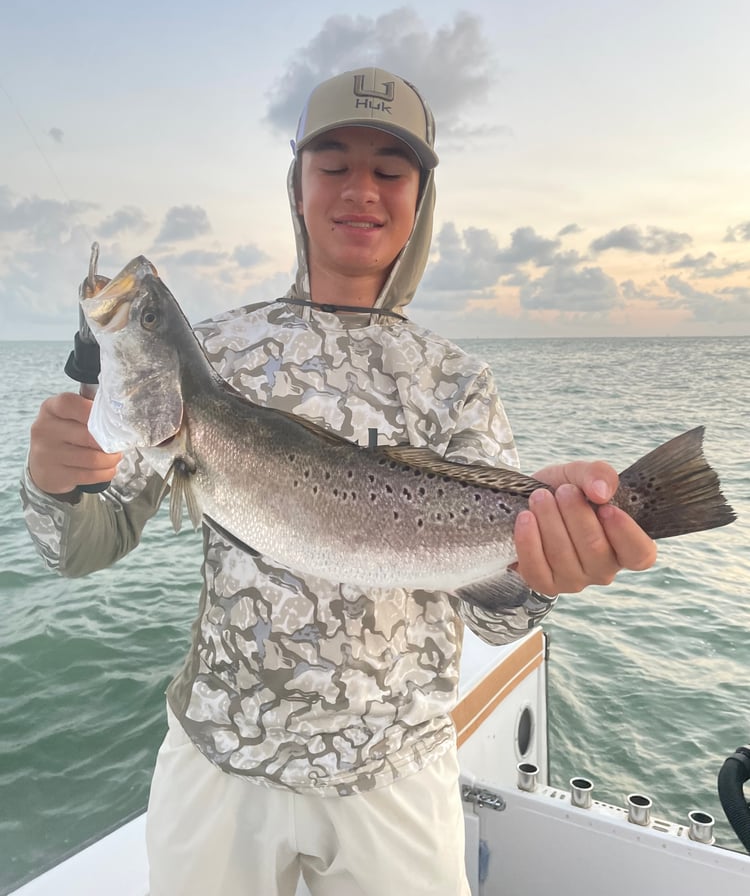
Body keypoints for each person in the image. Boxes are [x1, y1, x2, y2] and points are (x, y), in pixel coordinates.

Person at [21, 67, 657, 895]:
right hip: (221, 759)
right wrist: (56, 484)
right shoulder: (217, 355)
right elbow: (85, 547)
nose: (361, 189)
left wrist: (552, 564)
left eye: (390, 170)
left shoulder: (457, 380)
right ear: (296, 188)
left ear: (421, 199)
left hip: (397, 770)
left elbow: (500, 618)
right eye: (333, 164)